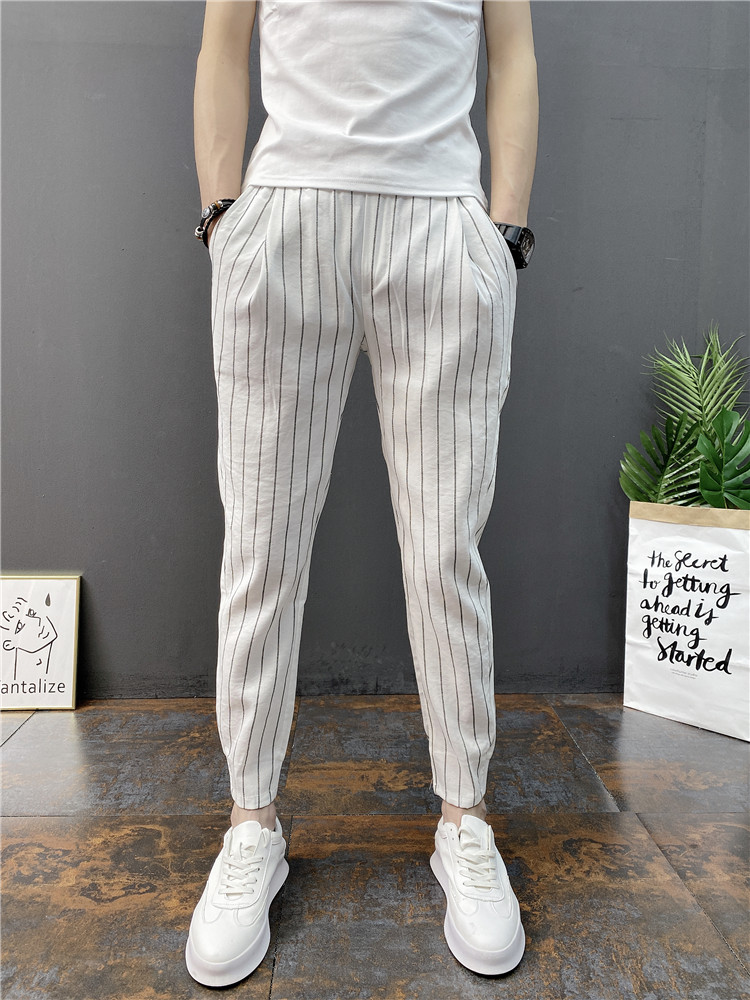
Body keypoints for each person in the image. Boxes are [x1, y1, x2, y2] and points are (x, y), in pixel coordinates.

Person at [186, 0, 538, 986]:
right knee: (261, 548)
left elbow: (511, 47)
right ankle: (251, 823)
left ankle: (464, 820)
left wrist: (504, 232)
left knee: (444, 553)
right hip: (285, 217)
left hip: (440, 222)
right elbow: (224, 39)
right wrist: (222, 219)